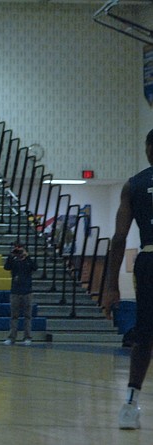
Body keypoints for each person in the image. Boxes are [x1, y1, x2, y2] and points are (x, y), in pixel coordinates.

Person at [103, 129, 153, 430]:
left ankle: (130, 405)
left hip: (148, 260)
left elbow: (119, 237)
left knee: (145, 337)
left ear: (148, 149)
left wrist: (110, 286)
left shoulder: (133, 185)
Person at [3, 242, 37, 346]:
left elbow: (35, 267)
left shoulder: (28, 261)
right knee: (14, 316)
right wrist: (11, 255)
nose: (19, 252)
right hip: (15, 291)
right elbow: (6, 267)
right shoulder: (14, 261)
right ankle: (12, 337)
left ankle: (27, 337)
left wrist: (27, 256)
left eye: (20, 250)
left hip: (27, 291)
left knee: (27, 316)